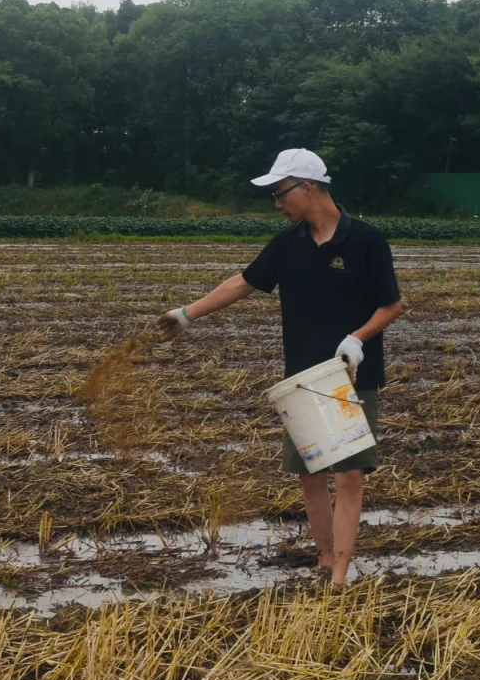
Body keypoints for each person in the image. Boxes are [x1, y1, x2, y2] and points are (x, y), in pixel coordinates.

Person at [157, 149, 403, 585]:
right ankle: (325, 557)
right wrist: (186, 315)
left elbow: (391, 305)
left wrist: (357, 338)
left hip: (351, 374)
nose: (276, 203)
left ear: (307, 187)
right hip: (302, 378)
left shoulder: (366, 240)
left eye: (279, 192)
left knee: (349, 475)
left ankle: (340, 576)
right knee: (311, 471)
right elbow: (243, 283)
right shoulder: (287, 244)